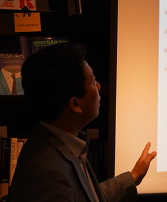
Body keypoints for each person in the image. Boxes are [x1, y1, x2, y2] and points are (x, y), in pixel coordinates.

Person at [9, 42, 156, 202]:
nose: (99, 87)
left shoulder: (59, 144)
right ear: (75, 104)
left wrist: (133, 176)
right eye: (93, 82)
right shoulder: (47, 172)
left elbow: (87, 196)